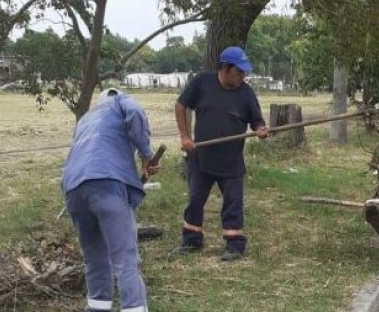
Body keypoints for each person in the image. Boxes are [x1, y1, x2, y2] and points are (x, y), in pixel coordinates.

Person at [62, 88, 160, 312]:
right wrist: (146, 155)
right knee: (125, 259)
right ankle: (134, 308)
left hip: (74, 188)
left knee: (95, 258)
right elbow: (135, 112)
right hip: (106, 183)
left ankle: (97, 307)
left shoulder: (86, 119)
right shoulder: (119, 102)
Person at [175, 46, 269, 261]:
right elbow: (181, 106)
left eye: (245, 72)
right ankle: (191, 240)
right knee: (195, 200)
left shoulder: (246, 93)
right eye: (240, 72)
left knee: (233, 203)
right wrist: (185, 137)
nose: (243, 76)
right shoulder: (202, 83)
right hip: (202, 158)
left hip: (231, 161)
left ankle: (234, 245)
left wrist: (260, 129)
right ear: (225, 68)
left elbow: (256, 120)